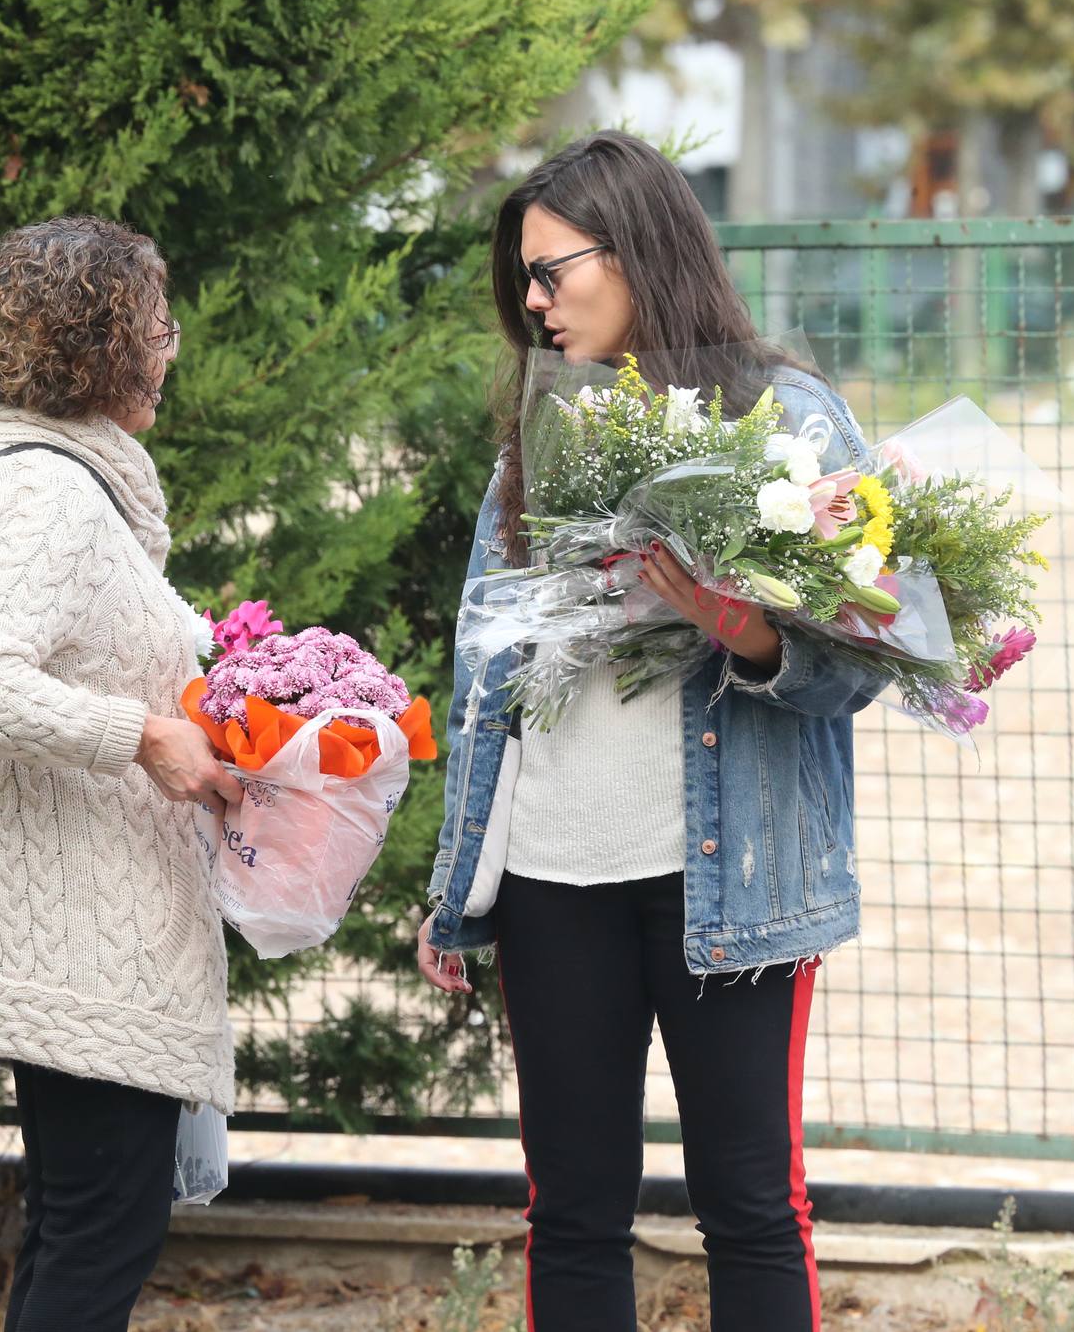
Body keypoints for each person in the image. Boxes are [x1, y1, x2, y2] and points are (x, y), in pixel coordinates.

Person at [416, 132, 889, 1332]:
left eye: (548, 271)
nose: (531, 303)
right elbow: (488, 677)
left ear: (632, 253)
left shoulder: (787, 416)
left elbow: (865, 667)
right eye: (521, 281)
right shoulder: (536, 436)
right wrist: (455, 887)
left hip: (728, 882)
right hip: (549, 880)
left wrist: (750, 634)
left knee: (749, 1205)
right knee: (571, 1214)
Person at [0, 215, 242, 1332]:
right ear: (104, 348)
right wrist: (146, 735)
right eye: (157, 326)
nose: (172, 348)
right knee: (99, 1239)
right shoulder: (55, 499)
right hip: (90, 942)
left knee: (72, 1229)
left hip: (41, 933)